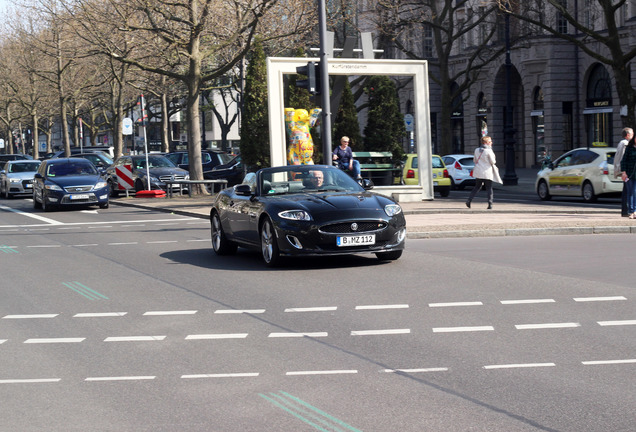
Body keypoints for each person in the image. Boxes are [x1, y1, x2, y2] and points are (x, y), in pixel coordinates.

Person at [466, 135, 501, 209]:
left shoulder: (477, 150)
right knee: (489, 188)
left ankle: (469, 200)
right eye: (490, 141)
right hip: (487, 172)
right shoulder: (489, 151)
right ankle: (490, 203)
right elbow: (493, 161)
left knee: (477, 187)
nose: (491, 142)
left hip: (478, 171)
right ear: (487, 142)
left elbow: (475, 160)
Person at [614, 127, 634, 217]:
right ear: (628, 135)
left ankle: (625, 210)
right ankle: (626, 210)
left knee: (627, 189)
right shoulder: (625, 143)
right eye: (632, 134)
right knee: (628, 190)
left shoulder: (622, 143)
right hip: (626, 171)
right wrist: (624, 171)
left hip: (625, 171)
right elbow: (623, 157)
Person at [620, 137, 636, 218]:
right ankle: (632, 211)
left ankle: (634, 211)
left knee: (634, 192)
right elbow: (623, 161)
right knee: (631, 192)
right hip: (629, 174)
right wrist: (624, 172)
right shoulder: (629, 148)